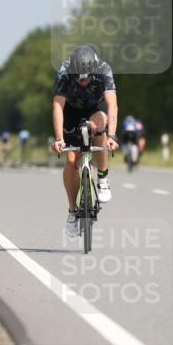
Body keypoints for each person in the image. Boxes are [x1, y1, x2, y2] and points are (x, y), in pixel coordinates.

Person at [52, 45, 119, 238]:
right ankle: (72, 212)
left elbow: (112, 105)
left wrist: (112, 136)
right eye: (79, 78)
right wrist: (59, 139)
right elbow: (57, 106)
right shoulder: (64, 72)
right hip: (70, 111)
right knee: (72, 161)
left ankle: (103, 178)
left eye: (87, 78)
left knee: (100, 127)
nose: (83, 82)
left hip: (94, 109)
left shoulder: (103, 69)